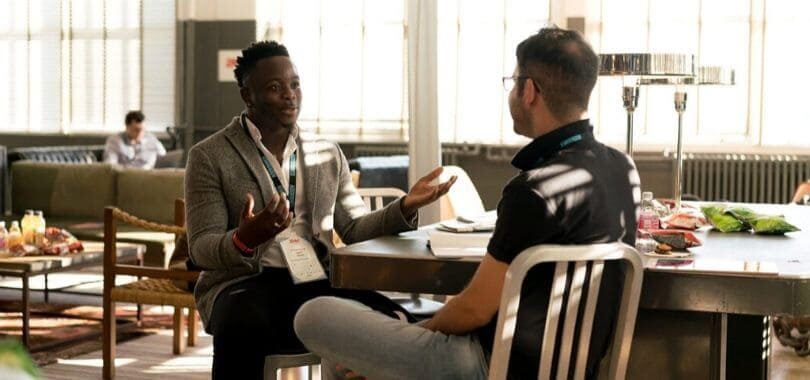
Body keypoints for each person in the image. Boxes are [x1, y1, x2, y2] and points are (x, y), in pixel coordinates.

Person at [293, 27, 641, 380]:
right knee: (345, 364)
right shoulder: (623, 168)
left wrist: (416, 338)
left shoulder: (532, 190)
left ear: (530, 91)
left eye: (514, 80)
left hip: (489, 367)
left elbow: (474, 309)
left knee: (313, 314)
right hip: (573, 369)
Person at [184, 41, 456, 379]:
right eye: (275, 87)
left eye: (295, 84)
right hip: (245, 283)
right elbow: (201, 247)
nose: (290, 95)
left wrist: (404, 206)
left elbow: (354, 227)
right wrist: (244, 239)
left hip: (314, 278)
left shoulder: (326, 152)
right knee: (242, 323)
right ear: (247, 96)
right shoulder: (209, 155)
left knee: (390, 316)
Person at [102, 110, 167, 169]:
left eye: (142, 129)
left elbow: (164, 157)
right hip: (126, 175)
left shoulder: (151, 139)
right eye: (136, 130)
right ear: (127, 127)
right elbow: (110, 164)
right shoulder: (115, 141)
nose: (140, 133)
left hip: (149, 175)